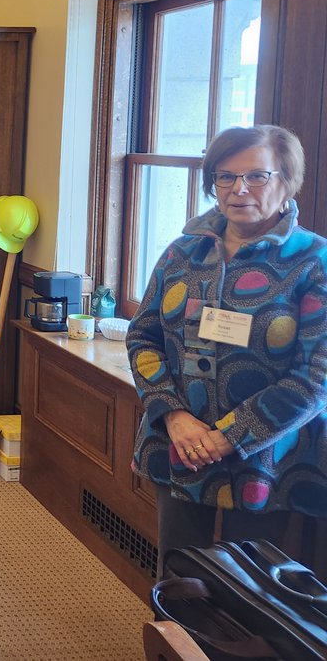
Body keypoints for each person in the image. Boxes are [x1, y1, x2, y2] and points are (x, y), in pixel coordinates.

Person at [129, 124, 327, 568]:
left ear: (286, 181)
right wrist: (175, 418)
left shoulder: (314, 261)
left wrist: (228, 437)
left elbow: (317, 377)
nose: (239, 189)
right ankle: (175, 641)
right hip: (179, 444)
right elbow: (143, 335)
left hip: (267, 459)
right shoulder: (182, 252)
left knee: (250, 589)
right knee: (178, 575)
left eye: (257, 176)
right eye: (225, 176)